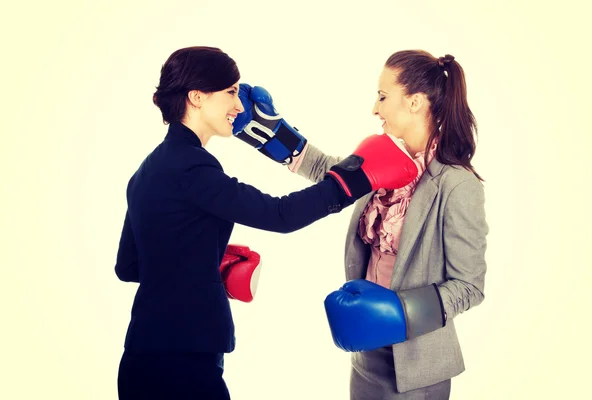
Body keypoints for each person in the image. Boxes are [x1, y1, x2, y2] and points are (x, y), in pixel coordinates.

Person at [113, 46, 421, 400]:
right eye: (230, 92)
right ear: (196, 97)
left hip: (143, 357)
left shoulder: (146, 170)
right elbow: (280, 215)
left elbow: (130, 266)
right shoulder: (192, 167)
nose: (240, 106)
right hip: (183, 361)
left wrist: (201, 256)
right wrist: (354, 180)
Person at [233, 50, 488, 399]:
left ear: (414, 102)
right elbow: (330, 172)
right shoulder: (386, 160)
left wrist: (399, 313)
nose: (375, 108)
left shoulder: (457, 185)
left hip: (418, 368)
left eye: (383, 97)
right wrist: (269, 132)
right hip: (366, 350)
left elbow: (469, 286)